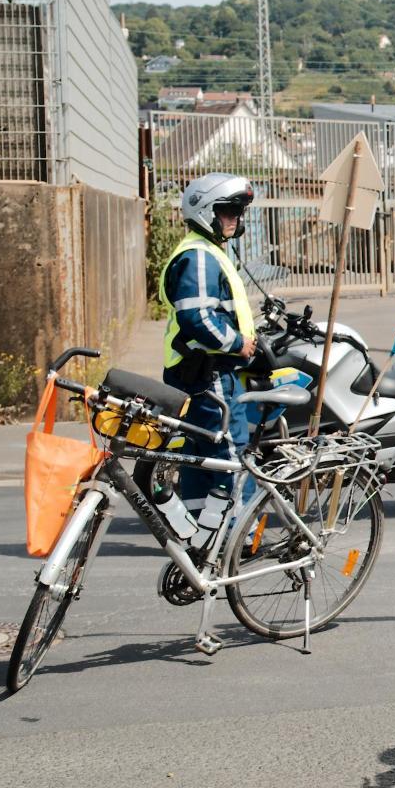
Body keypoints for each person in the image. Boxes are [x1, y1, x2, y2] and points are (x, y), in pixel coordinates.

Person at [160, 173, 259, 548]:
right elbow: (197, 318)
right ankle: (238, 539)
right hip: (209, 374)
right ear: (205, 212)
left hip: (196, 373)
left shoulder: (204, 252)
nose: (235, 219)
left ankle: (202, 537)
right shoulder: (199, 257)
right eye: (228, 211)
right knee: (229, 454)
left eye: (238, 211)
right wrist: (239, 345)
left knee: (198, 459)